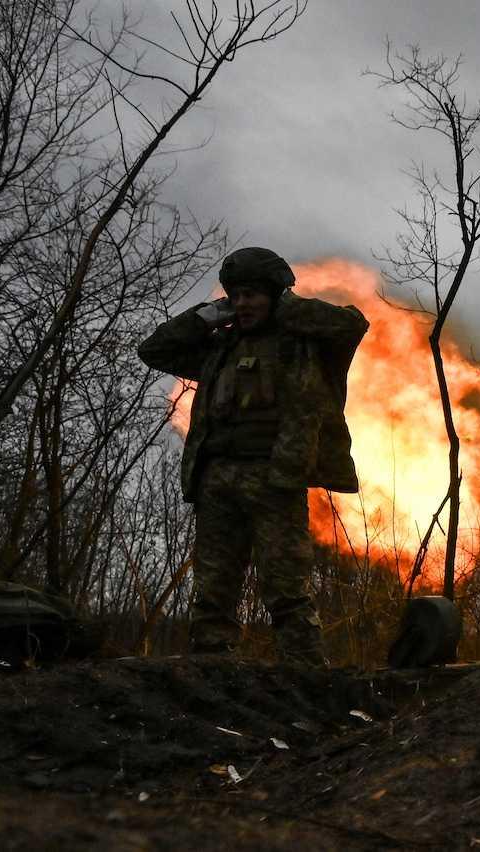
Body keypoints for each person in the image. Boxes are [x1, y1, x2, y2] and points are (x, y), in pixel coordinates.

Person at [138, 247, 368, 666]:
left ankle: (307, 679)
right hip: (218, 480)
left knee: (286, 589)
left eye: (253, 295)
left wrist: (286, 307)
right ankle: (213, 673)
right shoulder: (220, 349)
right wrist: (206, 317)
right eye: (236, 296)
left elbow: (351, 324)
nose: (243, 304)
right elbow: (153, 351)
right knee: (213, 590)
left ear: (274, 295)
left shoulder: (304, 346)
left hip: (275, 480)